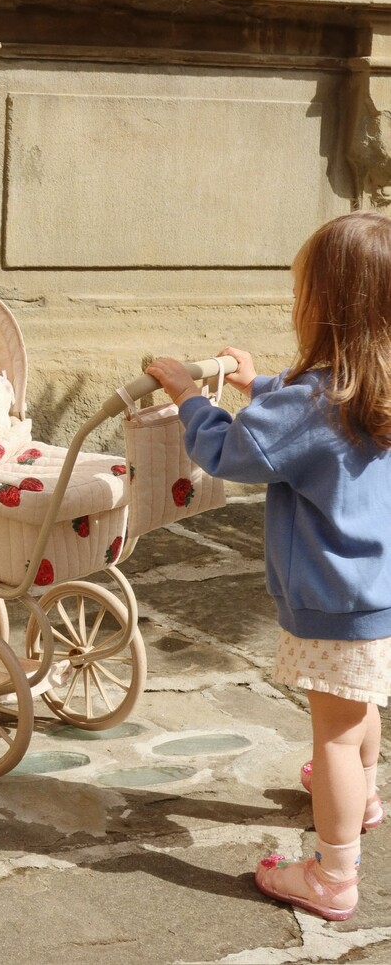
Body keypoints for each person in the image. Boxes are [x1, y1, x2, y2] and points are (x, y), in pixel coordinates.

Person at [146, 211, 391, 922]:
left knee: (336, 733)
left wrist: (191, 399)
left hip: (333, 599)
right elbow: (307, 414)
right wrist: (262, 384)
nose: (296, 305)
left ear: (328, 308)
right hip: (377, 594)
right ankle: (363, 794)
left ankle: (332, 875)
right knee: (358, 709)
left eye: (303, 294)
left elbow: (233, 453)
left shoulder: (316, 404)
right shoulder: (371, 386)